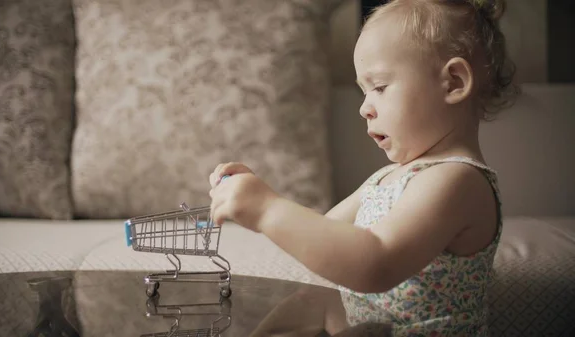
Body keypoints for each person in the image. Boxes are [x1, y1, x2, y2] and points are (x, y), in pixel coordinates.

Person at [208, 0, 519, 335]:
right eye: (363, 91)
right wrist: (255, 198)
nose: (364, 108)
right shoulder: (387, 177)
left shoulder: (458, 180)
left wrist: (268, 210)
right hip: (371, 324)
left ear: (453, 82)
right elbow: (326, 237)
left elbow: (376, 264)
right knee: (315, 297)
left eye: (380, 87)